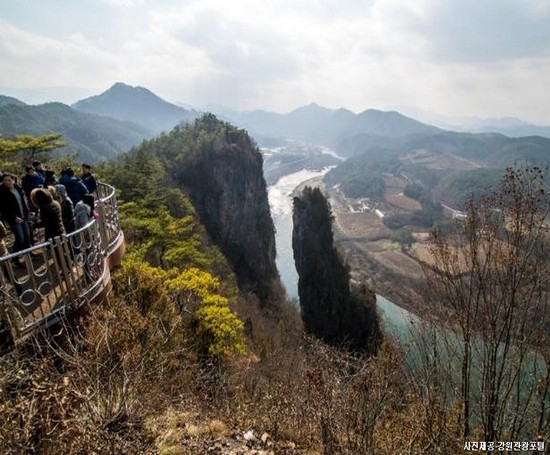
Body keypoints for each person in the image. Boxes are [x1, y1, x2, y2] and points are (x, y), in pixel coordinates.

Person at [0, 173, 31, 260]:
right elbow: (4, 208)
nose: (7, 182)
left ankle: (28, 254)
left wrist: (28, 211)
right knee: (20, 238)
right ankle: (14, 257)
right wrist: (14, 217)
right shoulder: (2, 192)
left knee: (26, 235)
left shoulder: (17, 188)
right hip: (13, 219)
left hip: (23, 215)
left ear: (13, 180)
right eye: (5, 180)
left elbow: (23, 201)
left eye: (9, 180)